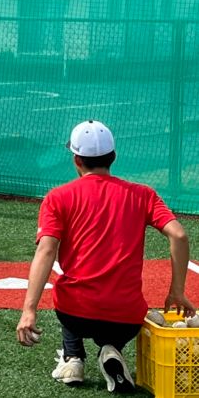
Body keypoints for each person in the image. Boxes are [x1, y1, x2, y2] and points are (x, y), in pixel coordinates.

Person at [16, 120, 195, 393]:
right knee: (121, 312)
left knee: (66, 287)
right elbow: (179, 236)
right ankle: (112, 348)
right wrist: (177, 291)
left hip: (75, 313)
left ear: (76, 160)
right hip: (127, 318)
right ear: (113, 156)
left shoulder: (57, 197)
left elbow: (46, 250)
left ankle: (73, 358)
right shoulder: (143, 195)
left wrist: (29, 310)